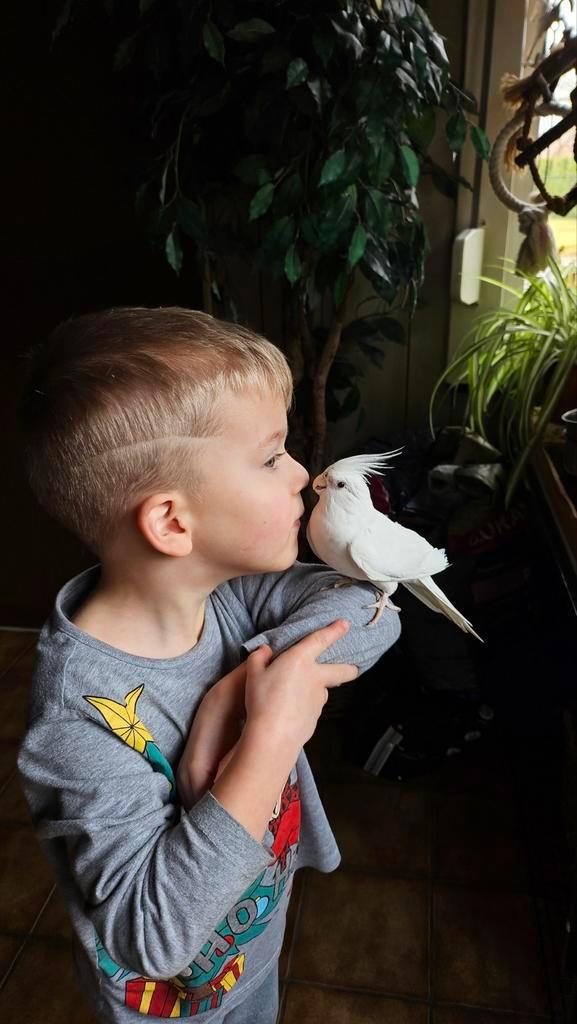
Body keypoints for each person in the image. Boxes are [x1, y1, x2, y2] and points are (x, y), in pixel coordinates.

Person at [16, 307, 401, 1023]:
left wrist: (237, 694)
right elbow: (152, 936)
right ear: (172, 522)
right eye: (271, 457)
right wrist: (268, 737)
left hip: (252, 951)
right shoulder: (79, 720)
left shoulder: (230, 597)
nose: (303, 473)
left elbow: (374, 607)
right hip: (170, 1008)